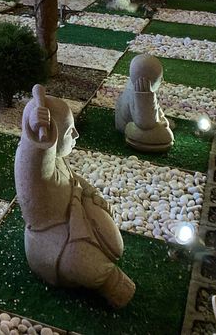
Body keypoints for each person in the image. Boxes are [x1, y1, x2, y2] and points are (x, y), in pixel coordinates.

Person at [15, 85, 135, 308]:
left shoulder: (58, 160)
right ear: (51, 136)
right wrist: (35, 132)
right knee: (80, 262)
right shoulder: (39, 169)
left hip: (75, 214)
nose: (76, 135)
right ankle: (110, 282)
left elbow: (74, 180)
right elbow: (33, 160)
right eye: (70, 131)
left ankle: (104, 257)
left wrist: (91, 193)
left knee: (112, 244)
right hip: (52, 239)